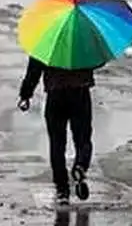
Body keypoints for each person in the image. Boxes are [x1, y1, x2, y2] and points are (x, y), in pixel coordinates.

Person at [18, 56, 94, 207]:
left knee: (57, 144)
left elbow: (34, 69)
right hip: (80, 92)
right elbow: (97, 61)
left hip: (55, 94)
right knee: (83, 139)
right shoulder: (84, 44)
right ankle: (80, 166)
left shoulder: (47, 45)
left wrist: (25, 94)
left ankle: (62, 190)